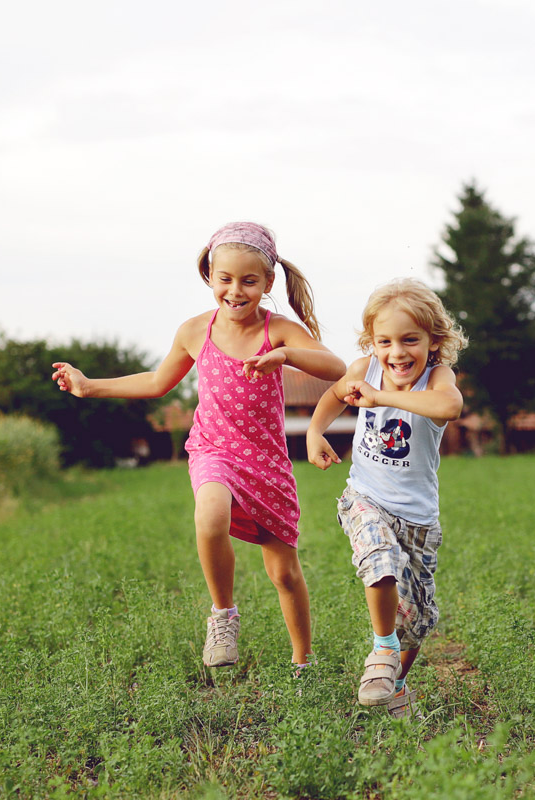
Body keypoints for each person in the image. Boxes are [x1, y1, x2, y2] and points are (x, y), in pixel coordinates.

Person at [51, 222, 345, 671]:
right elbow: (155, 381)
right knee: (210, 515)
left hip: (266, 462)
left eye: (249, 281)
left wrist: (284, 355)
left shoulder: (279, 330)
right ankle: (223, 615)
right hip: (214, 450)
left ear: (268, 283)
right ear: (209, 276)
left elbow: (333, 365)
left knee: (284, 573)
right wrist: (90, 387)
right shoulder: (194, 331)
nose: (235, 290)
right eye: (225, 279)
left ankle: (304, 662)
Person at [306, 278, 467, 717]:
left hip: (418, 521)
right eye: (385, 341)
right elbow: (335, 395)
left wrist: (382, 397)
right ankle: (381, 649)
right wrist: (316, 432)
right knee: (379, 559)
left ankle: (394, 683)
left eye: (410, 340)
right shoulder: (364, 370)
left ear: (434, 341)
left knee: (417, 622)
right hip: (365, 498)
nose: (397, 352)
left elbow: (448, 407)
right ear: (372, 343)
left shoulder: (438, 378)